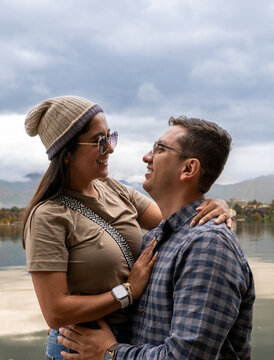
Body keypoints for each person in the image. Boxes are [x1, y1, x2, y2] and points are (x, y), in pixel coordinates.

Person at [22, 96, 233, 360]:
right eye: (100, 141)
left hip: (129, 341)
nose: (110, 148)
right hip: (82, 345)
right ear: (67, 152)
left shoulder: (114, 189)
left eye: (111, 137)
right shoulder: (48, 216)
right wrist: (127, 291)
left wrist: (215, 205)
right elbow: (55, 313)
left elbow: (175, 218)